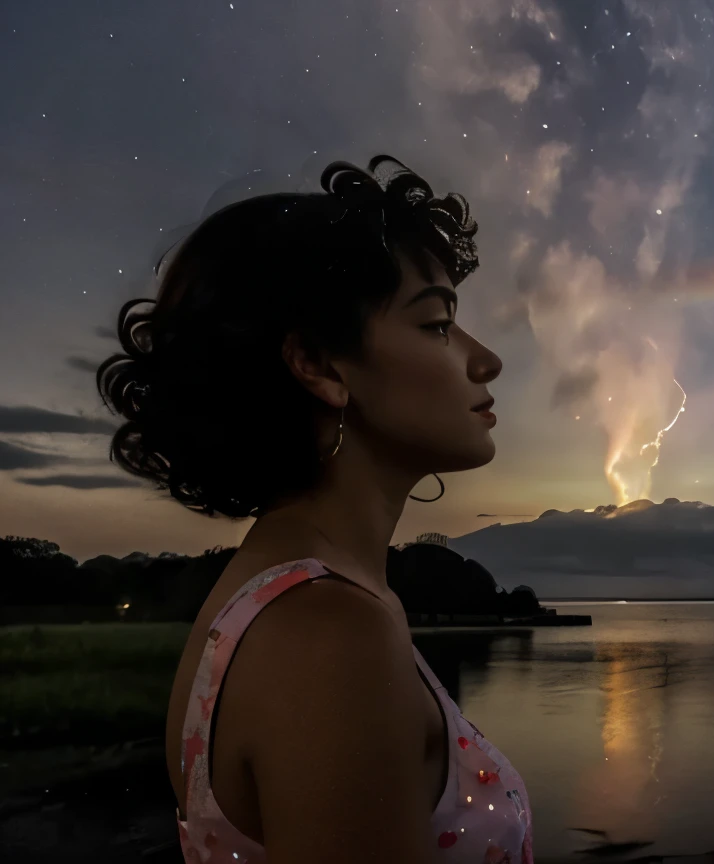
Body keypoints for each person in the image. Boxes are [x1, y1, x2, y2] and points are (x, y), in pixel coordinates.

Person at [96, 156, 530, 863]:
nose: (485, 362)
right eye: (438, 325)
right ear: (321, 367)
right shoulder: (327, 637)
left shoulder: (320, 602)